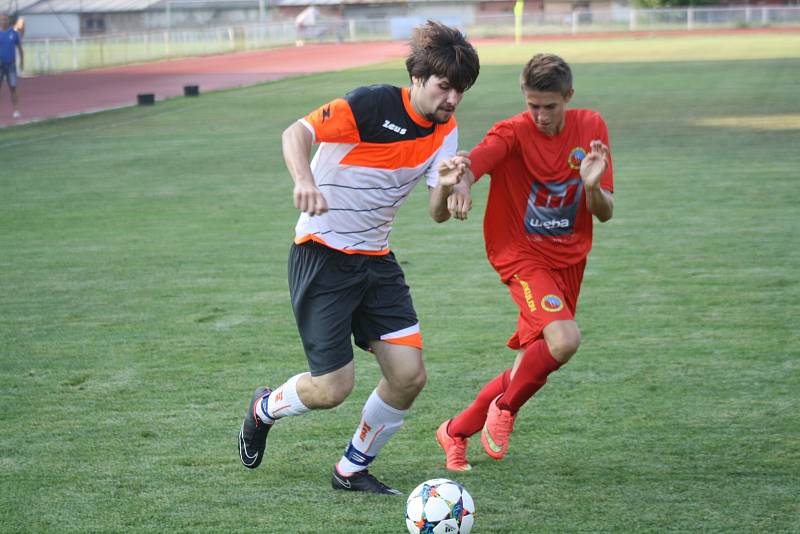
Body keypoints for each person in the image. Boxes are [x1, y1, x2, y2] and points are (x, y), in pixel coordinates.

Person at [238, 21, 480, 494]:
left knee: (409, 376)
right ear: (417, 77)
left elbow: (434, 213)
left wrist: (451, 188)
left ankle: (351, 469)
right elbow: (296, 133)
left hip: (375, 259)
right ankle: (263, 408)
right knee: (332, 389)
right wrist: (303, 179)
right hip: (322, 255)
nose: (452, 99)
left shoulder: (445, 129)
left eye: (461, 91)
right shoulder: (371, 104)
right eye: (444, 86)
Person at [434, 53, 614, 471]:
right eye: (532, 104)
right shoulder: (512, 132)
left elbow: (604, 211)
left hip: (569, 260)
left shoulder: (592, 128)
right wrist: (460, 184)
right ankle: (506, 408)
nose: (540, 115)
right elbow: (474, 163)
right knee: (565, 340)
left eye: (549, 106)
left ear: (568, 96)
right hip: (520, 256)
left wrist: (591, 187)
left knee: (534, 360)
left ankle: (455, 431)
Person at [0, 13, 23, 119]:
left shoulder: (13, 33)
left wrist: (22, 61)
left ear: (8, 20)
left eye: (6, 19)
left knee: (13, 87)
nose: (4, 21)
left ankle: (16, 110)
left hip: (11, 65)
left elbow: (19, 48)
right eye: (2, 20)